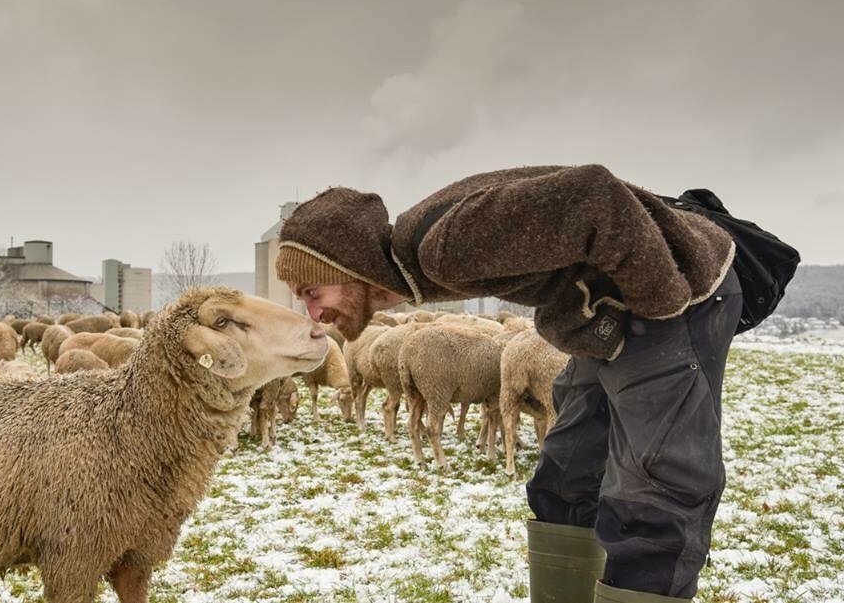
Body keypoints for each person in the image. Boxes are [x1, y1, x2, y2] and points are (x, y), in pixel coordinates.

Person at [274, 164, 742, 603]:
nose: (314, 314)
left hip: (676, 293)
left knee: (654, 488)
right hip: (607, 313)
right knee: (565, 474)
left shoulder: (444, 247)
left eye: (314, 293)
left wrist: (657, 311)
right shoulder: (422, 260)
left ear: (348, 265)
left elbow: (595, 195)